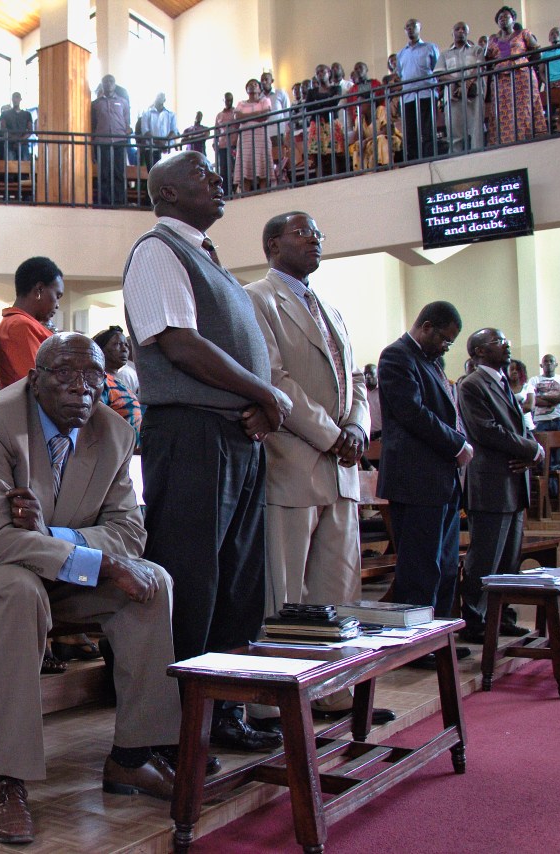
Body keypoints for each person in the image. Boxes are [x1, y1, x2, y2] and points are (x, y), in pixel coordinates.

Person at [0, 333, 183, 845]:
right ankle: (6, 780)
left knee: (153, 582)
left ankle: (134, 756)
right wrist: (98, 558)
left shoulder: (113, 432)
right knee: (16, 590)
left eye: (92, 375)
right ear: (34, 378)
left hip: (50, 567)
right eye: (64, 373)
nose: (80, 388)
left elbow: (131, 533)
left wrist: (58, 538)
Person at [122, 151, 290, 753]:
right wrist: (263, 393)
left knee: (237, 585)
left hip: (232, 437)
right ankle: (178, 723)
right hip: (191, 437)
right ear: (165, 192)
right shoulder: (157, 251)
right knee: (194, 581)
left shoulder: (208, 258)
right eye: (200, 174)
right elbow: (178, 344)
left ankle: (224, 713)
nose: (217, 181)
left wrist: (255, 407)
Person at [243, 212, 394, 728]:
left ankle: (333, 692)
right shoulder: (258, 298)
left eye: (318, 235)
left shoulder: (330, 307)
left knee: (338, 586)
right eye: (302, 233)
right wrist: (333, 435)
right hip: (294, 461)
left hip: (341, 470)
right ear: (272, 243)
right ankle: (278, 700)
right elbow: (273, 376)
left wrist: (357, 428)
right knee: (286, 593)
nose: (315, 240)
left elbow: (355, 375)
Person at [376, 301, 473, 667]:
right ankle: (415, 648)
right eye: (445, 340)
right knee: (420, 569)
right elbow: (413, 413)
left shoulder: (431, 363)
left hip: (441, 480)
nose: (447, 347)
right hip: (415, 481)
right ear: (427, 326)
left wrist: (458, 443)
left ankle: (439, 639)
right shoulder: (397, 357)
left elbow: (447, 410)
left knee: (446, 566)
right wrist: (457, 444)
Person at [455, 328, 543, 643]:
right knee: (485, 558)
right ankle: (475, 621)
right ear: (478, 351)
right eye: (498, 342)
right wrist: (530, 449)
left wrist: (533, 453)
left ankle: (502, 617)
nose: (507, 346)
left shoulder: (503, 382)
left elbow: (518, 426)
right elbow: (486, 431)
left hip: (513, 482)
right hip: (490, 482)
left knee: (508, 559)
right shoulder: (472, 384)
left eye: (507, 340)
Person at [0, 256, 63, 389]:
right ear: (39, 290)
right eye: (57, 296)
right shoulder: (19, 325)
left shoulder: (22, 323)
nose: (58, 305)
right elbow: (37, 383)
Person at [487, 6, 549, 144]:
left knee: (524, 107)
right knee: (504, 109)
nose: (503, 19)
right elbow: (488, 59)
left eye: (506, 17)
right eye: (500, 18)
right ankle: (504, 140)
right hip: (501, 79)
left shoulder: (523, 33)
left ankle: (528, 137)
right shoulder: (493, 40)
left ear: (513, 19)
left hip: (521, 75)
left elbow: (536, 52)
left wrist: (523, 63)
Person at [397, 18, 441, 161]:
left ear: (419, 28)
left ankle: (430, 158)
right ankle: (414, 160)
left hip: (426, 94)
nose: (410, 29)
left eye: (413, 26)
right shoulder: (401, 54)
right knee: (410, 132)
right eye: (407, 26)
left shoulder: (430, 47)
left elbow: (437, 69)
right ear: (405, 30)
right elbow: (400, 74)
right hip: (408, 97)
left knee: (428, 129)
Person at [91, 326, 142, 449]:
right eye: (117, 344)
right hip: (110, 452)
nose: (124, 349)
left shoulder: (119, 381)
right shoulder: (100, 382)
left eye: (126, 345)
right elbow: (96, 421)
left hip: (126, 453)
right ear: (100, 350)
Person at [533, 352, 560, 495]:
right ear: (541, 365)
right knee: (545, 458)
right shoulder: (534, 380)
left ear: (556, 364)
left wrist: (544, 397)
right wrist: (555, 398)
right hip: (541, 421)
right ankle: (548, 492)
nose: (548, 364)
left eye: (551, 361)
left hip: (559, 420)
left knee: (559, 458)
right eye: (546, 361)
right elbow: (534, 400)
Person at [442, 21, 486, 153]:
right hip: (452, 95)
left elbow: (479, 67)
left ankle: (477, 155)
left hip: (474, 94)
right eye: (457, 29)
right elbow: (440, 74)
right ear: (452, 33)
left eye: (464, 29)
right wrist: (459, 81)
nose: (460, 31)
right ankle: (456, 159)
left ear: (467, 33)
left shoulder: (477, 50)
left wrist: (466, 84)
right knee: (454, 129)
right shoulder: (444, 54)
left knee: (476, 127)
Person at [91, 74, 131, 205]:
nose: (108, 84)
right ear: (102, 85)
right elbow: (93, 124)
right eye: (105, 82)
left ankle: (119, 200)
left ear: (115, 84)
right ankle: (105, 201)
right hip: (102, 142)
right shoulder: (96, 104)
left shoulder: (123, 102)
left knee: (119, 172)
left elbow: (127, 122)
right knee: (104, 173)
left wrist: (126, 133)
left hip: (119, 141)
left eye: (111, 81)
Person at [234, 79, 273, 192]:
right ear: (246, 89)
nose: (252, 86)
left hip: (261, 136)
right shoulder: (241, 103)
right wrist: (257, 114)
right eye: (249, 85)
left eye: (255, 84)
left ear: (260, 88)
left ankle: (263, 195)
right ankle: (246, 197)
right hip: (245, 138)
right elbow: (237, 117)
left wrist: (245, 116)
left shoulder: (265, 100)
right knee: (245, 166)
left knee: (263, 165)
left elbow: (266, 115)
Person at [136, 93, 178, 168]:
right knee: (153, 174)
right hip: (152, 148)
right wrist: (158, 142)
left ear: (165, 100)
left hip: (167, 149)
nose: (159, 98)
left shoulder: (171, 114)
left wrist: (164, 142)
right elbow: (145, 131)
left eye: (162, 97)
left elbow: (174, 131)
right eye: (158, 96)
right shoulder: (146, 113)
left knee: (168, 173)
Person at [0, 92, 34, 161]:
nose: (15, 99)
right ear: (12, 99)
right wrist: (15, 139)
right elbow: (2, 129)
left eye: (17, 97)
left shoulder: (27, 114)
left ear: (20, 99)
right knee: (9, 168)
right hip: (10, 144)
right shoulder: (5, 114)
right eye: (14, 97)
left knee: (24, 167)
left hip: (23, 144)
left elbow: (30, 130)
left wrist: (20, 140)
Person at [213, 92, 237, 184]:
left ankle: (236, 191)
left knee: (235, 168)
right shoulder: (219, 115)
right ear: (223, 100)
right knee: (223, 169)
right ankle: (226, 193)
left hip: (234, 144)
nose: (229, 102)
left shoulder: (236, 112)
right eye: (227, 100)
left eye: (231, 100)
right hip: (223, 145)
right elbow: (216, 130)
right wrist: (215, 143)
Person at [508, 358, 536, 431]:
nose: (514, 372)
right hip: (509, 427)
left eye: (517, 369)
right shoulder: (503, 387)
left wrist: (510, 410)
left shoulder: (527, 387)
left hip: (527, 425)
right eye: (512, 369)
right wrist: (521, 406)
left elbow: (530, 406)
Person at [364, 363, 383, 439]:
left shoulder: (383, 391)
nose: (368, 376)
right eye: (365, 374)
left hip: (382, 435)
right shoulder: (360, 392)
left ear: (377, 374)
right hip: (366, 437)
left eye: (371, 373)